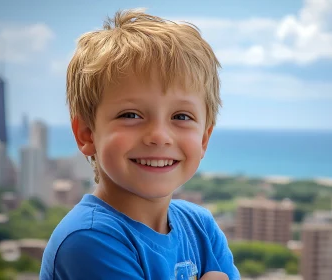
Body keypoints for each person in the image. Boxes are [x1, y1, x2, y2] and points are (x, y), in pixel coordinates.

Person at [39, 8, 240, 280]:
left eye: (181, 116)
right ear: (87, 134)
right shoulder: (89, 241)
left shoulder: (200, 227)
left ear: (204, 138)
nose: (159, 135)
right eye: (131, 115)